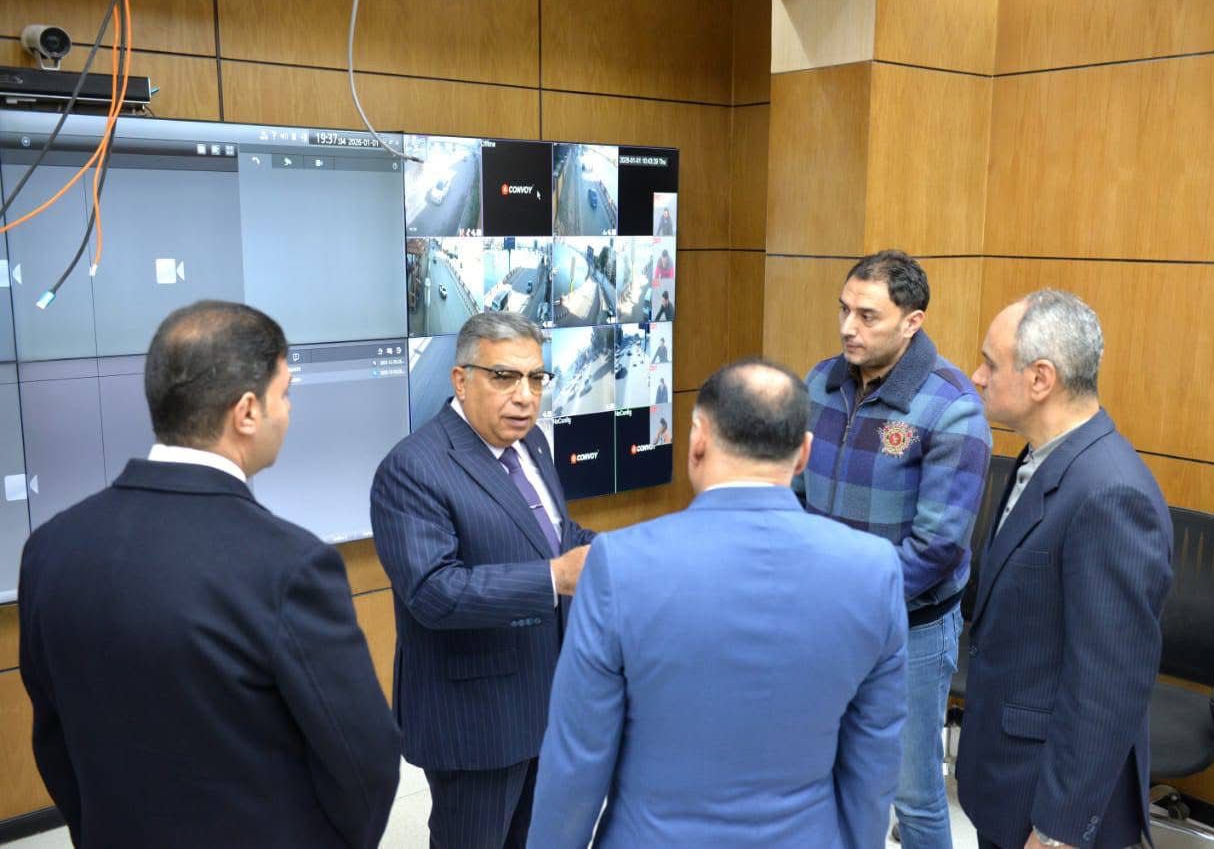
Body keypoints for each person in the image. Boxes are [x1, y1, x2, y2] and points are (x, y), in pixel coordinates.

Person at [18, 300, 401, 848]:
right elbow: (364, 760)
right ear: (246, 412)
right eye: (285, 393)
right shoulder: (290, 566)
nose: (288, 411)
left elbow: (54, 742)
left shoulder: (50, 549)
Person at [529, 359, 908, 848]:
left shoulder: (618, 565)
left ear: (698, 440)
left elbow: (576, 761)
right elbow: (874, 762)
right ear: (804, 454)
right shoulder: (874, 570)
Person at [370, 311, 595, 848]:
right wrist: (553, 578)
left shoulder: (533, 445)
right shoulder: (413, 468)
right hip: (476, 719)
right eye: (504, 377)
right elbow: (433, 592)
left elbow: (554, 534)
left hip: (549, 700)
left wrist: (620, 553)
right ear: (461, 379)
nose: (525, 396)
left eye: (536, 378)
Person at [957, 290, 1173, 849]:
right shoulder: (1042, 456)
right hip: (1006, 780)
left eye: (990, 363)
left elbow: (1107, 686)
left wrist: (1058, 832)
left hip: (1051, 807)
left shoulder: (1111, 494)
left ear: (1040, 379)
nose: (976, 377)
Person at [796, 250, 991, 848]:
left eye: (867, 316)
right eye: (844, 310)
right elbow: (793, 495)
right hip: (825, 615)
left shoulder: (952, 406)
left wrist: (850, 598)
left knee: (914, 793)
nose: (848, 327)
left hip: (912, 626)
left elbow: (937, 547)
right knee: (823, 772)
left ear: (912, 322)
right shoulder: (820, 382)